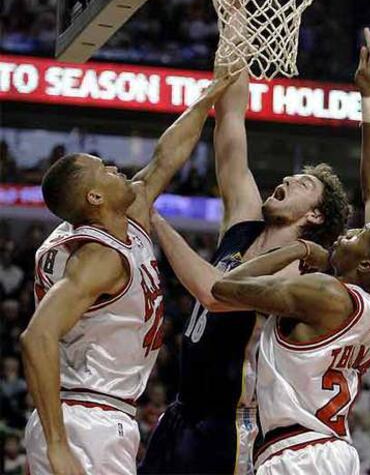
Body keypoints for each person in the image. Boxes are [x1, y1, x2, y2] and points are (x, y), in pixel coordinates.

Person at [138, 23, 370, 475]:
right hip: (182, 413)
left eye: (301, 184)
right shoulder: (244, 225)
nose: (285, 180)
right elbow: (230, 118)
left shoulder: (296, 278)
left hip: (232, 428)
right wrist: (231, 18)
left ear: (316, 217)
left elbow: (214, 291)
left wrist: (152, 216)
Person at [20, 74, 235, 475]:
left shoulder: (125, 220)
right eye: (104, 169)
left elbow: (165, 157)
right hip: (85, 419)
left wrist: (211, 93)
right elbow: (37, 336)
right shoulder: (98, 256)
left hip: (97, 415)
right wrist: (59, 446)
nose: (116, 167)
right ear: (94, 198)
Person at [211, 221, 370, 474]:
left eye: (356, 235)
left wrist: (299, 249)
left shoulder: (325, 293)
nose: (346, 232)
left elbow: (223, 287)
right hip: (333, 452)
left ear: (365, 265)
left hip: (300, 453)